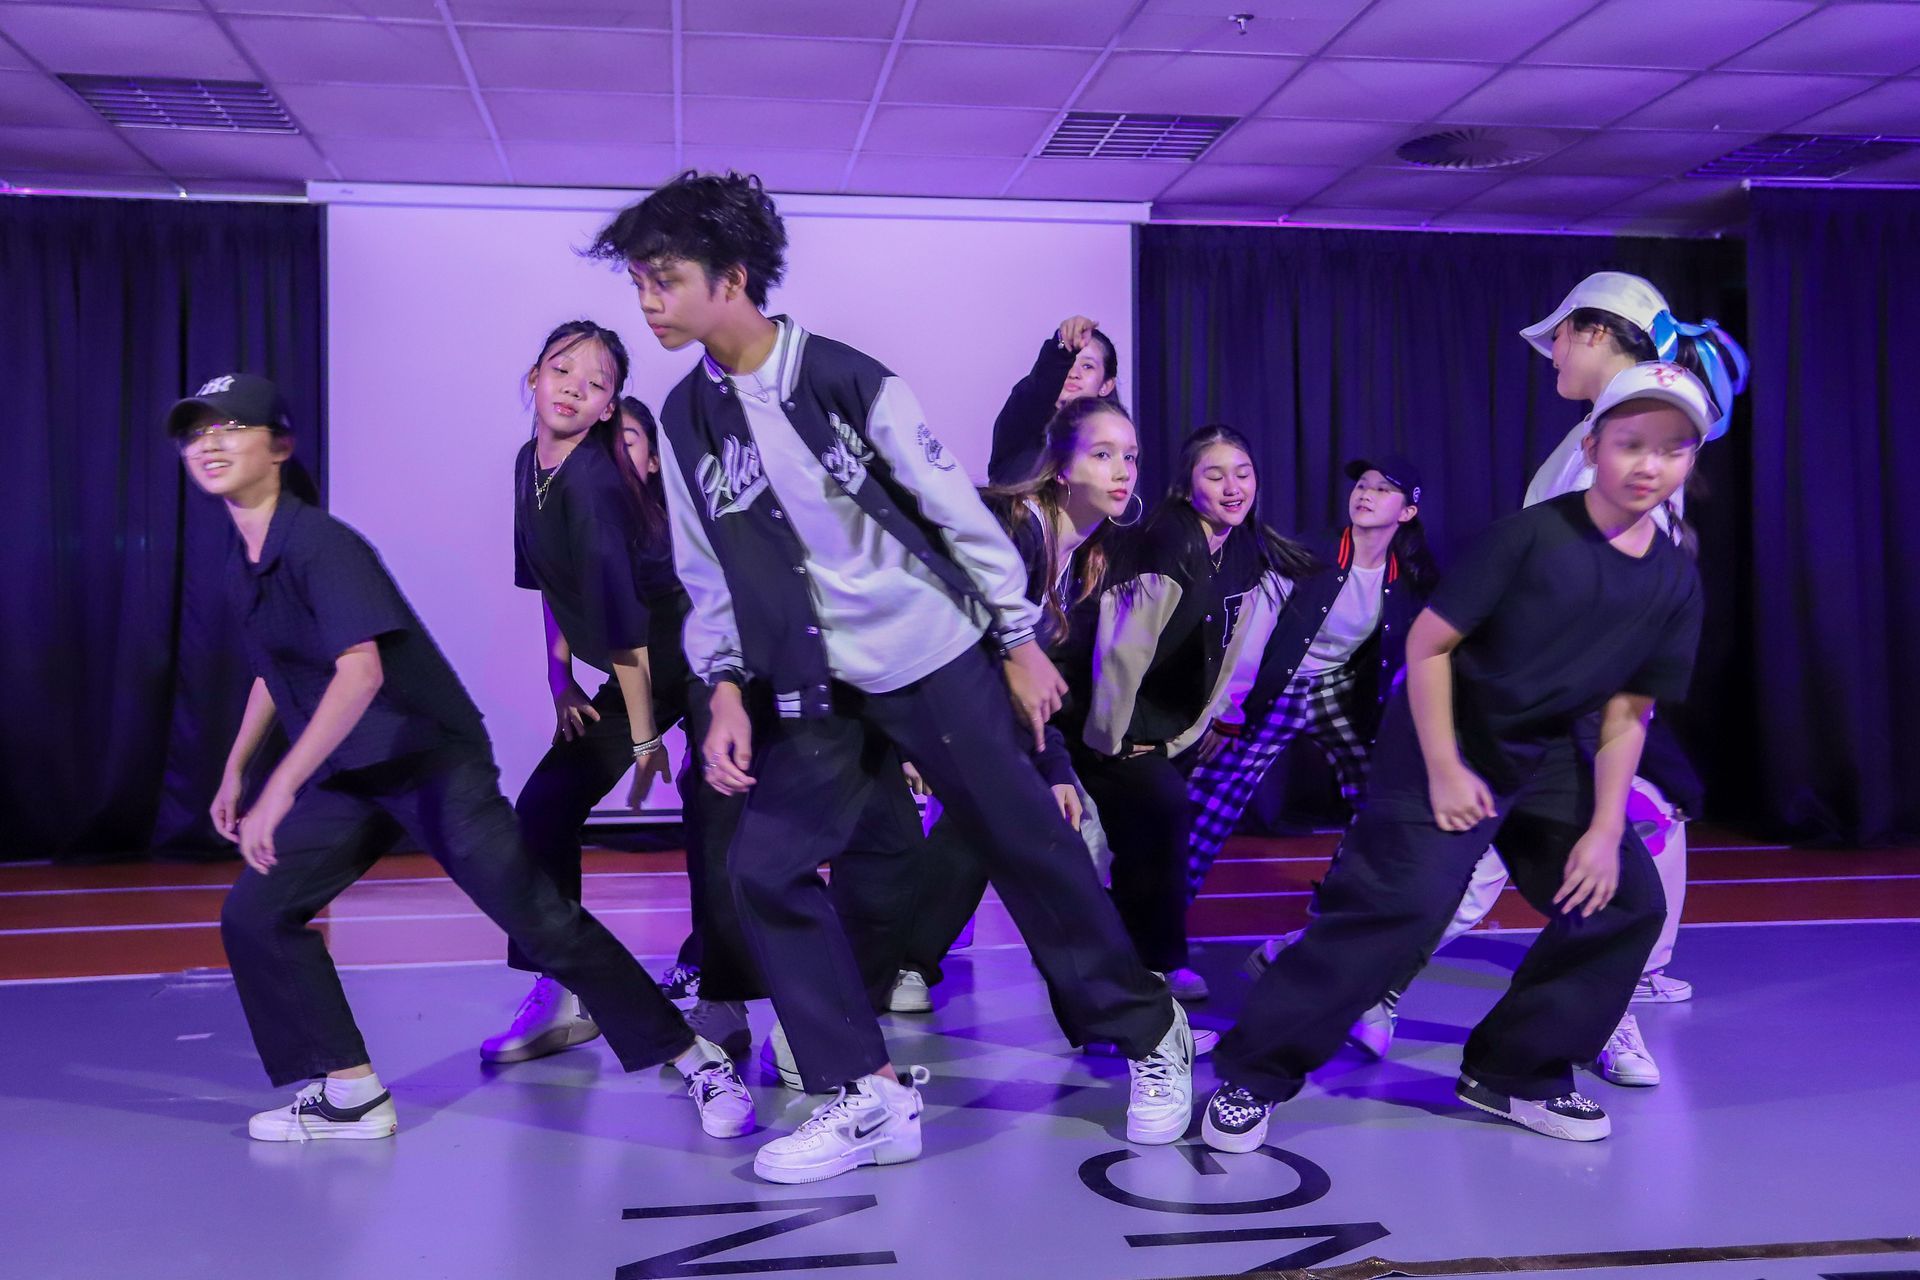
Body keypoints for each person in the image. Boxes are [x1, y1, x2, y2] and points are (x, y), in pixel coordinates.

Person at [590, 170, 1192, 1185]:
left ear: (731, 278)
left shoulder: (843, 379)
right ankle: (867, 1093)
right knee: (764, 868)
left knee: (1028, 848)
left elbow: (954, 506)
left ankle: (1149, 1031)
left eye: (664, 278)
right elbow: (705, 567)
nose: (647, 301)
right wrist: (724, 683)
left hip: (930, 654)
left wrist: (1016, 638)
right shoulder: (688, 415)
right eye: (639, 282)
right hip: (816, 682)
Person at [179, 373, 753, 1143]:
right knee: (256, 913)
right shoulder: (244, 557)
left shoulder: (320, 544)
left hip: (430, 762)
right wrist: (237, 767)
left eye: (232, 427)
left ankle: (693, 1057)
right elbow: (275, 668)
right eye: (199, 431)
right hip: (354, 773)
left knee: (540, 920)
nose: (211, 442)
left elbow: (360, 672)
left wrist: (280, 787)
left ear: (279, 446)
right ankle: (350, 1093)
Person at [1200, 362, 1713, 1150]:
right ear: (1592, 446)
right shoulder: (1528, 538)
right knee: (1398, 908)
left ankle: (1515, 1073)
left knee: (1627, 903)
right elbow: (1429, 648)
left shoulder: (1675, 579)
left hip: (1552, 754)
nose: (1650, 463)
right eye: (1631, 443)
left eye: (1673, 448)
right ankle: (1253, 1075)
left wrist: (1606, 827)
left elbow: (1627, 709)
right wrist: (1444, 769)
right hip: (1446, 737)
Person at [1434, 272, 1748, 1088]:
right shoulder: (1587, 441)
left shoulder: (1616, 440)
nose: (1552, 356)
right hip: (1547, 695)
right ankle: (1367, 975)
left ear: (1597, 333)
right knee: (1505, 856)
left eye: (1561, 338)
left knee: (1625, 844)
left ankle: (1600, 1008)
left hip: (1576, 692)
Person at [483, 329, 765, 1067]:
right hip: (640, 656)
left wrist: (643, 739)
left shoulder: (595, 487)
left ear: (609, 407)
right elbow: (551, 584)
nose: (574, 386)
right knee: (544, 806)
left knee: (715, 808)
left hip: (695, 650)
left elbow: (628, 635)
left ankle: (724, 996)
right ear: (534, 376)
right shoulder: (529, 467)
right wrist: (559, 684)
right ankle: (563, 988)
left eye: (596, 382)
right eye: (561, 369)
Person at [1185, 454, 1438, 1056]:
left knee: (1377, 807)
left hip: (1338, 694)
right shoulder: (1311, 552)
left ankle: (1322, 932)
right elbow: (1253, 630)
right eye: (1362, 485)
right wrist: (1232, 706)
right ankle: (1155, 945)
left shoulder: (1409, 576)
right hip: (1277, 687)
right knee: (1207, 810)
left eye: (1383, 489)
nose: (1365, 494)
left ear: (1407, 512)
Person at [1075, 425, 1311, 1003]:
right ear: (1187, 486)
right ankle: (1151, 963)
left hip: (1168, 729)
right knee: (1160, 819)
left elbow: (1229, 649)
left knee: (1147, 846)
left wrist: (1204, 722)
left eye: (1243, 473)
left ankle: (1134, 965)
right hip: (1117, 726)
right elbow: (1121, 650)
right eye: (1215, 474)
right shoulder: (1167, 541)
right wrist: (1111, 738)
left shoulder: (1242, 550)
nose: (1233, 487)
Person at [986, 314, 1120, 485]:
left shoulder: (1116, 437)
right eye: (1069, 363)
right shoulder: (1025, 416)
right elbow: (1039, 387)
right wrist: (1062, 345)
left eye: (1087, 366)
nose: (1074, 374)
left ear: (1106, 386)